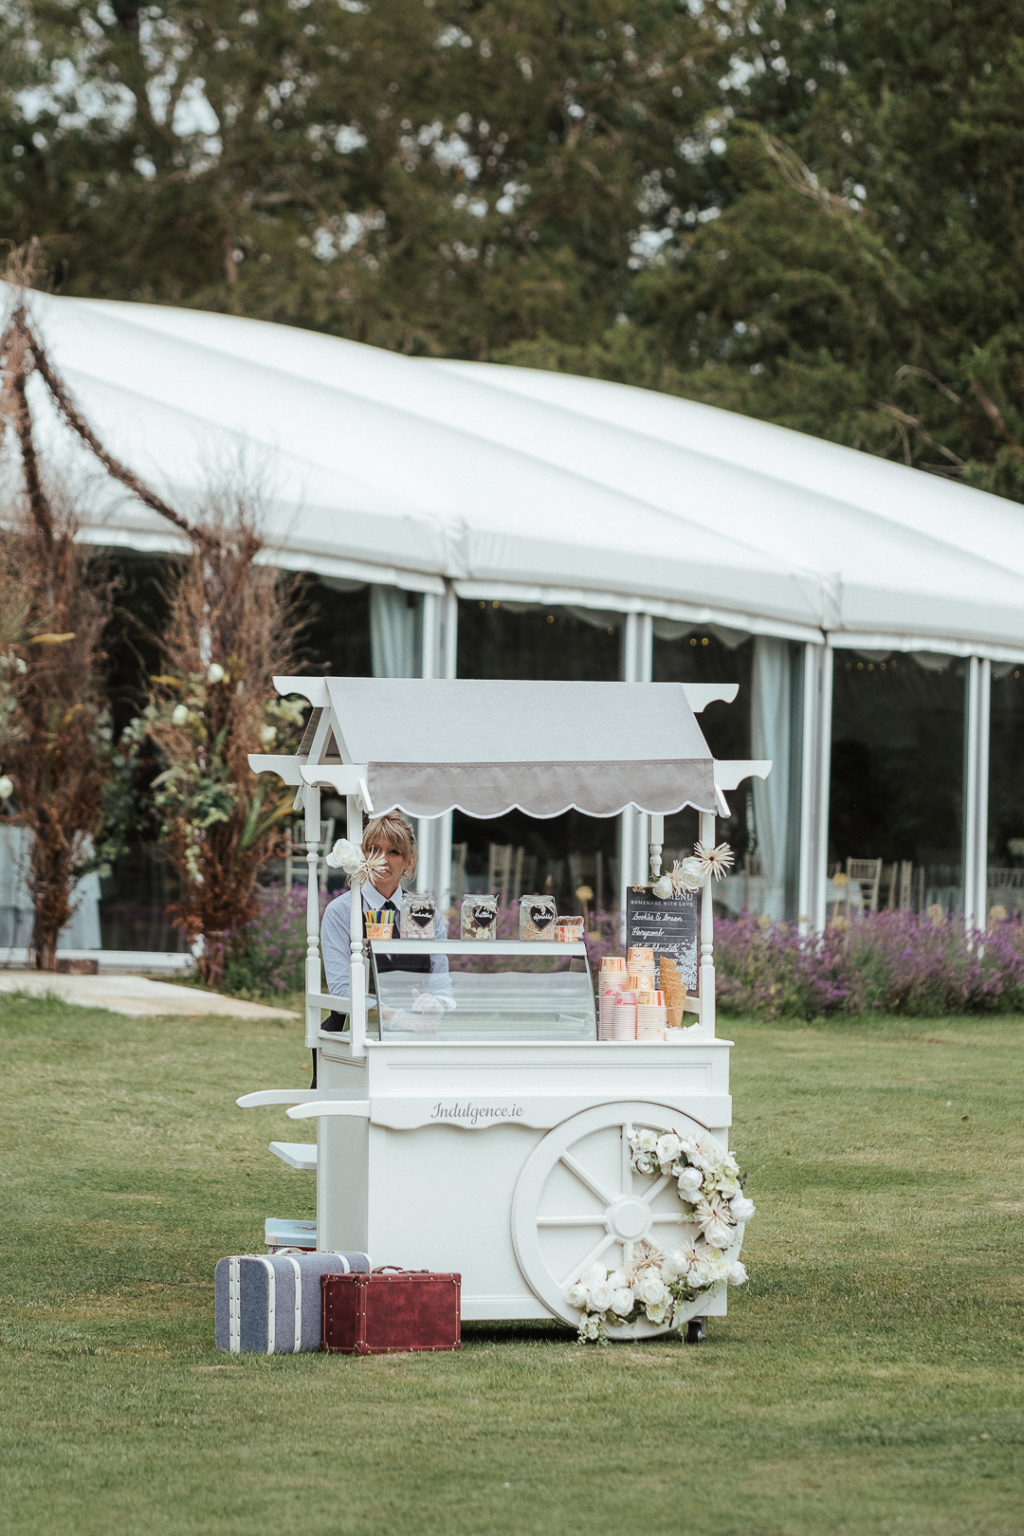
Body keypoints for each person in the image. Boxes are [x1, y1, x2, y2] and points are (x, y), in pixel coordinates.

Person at [313, 813, 450, 1085]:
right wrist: (396, 1017)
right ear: (362, 855)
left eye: (394, 852)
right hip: (354, 1041)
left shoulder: (426, 913)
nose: (383, 859)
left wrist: (436, 1004)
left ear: (409, 862)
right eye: (374, 849)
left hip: (416, 1043)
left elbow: (441, 982)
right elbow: (341, 989)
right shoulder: (341, 912)